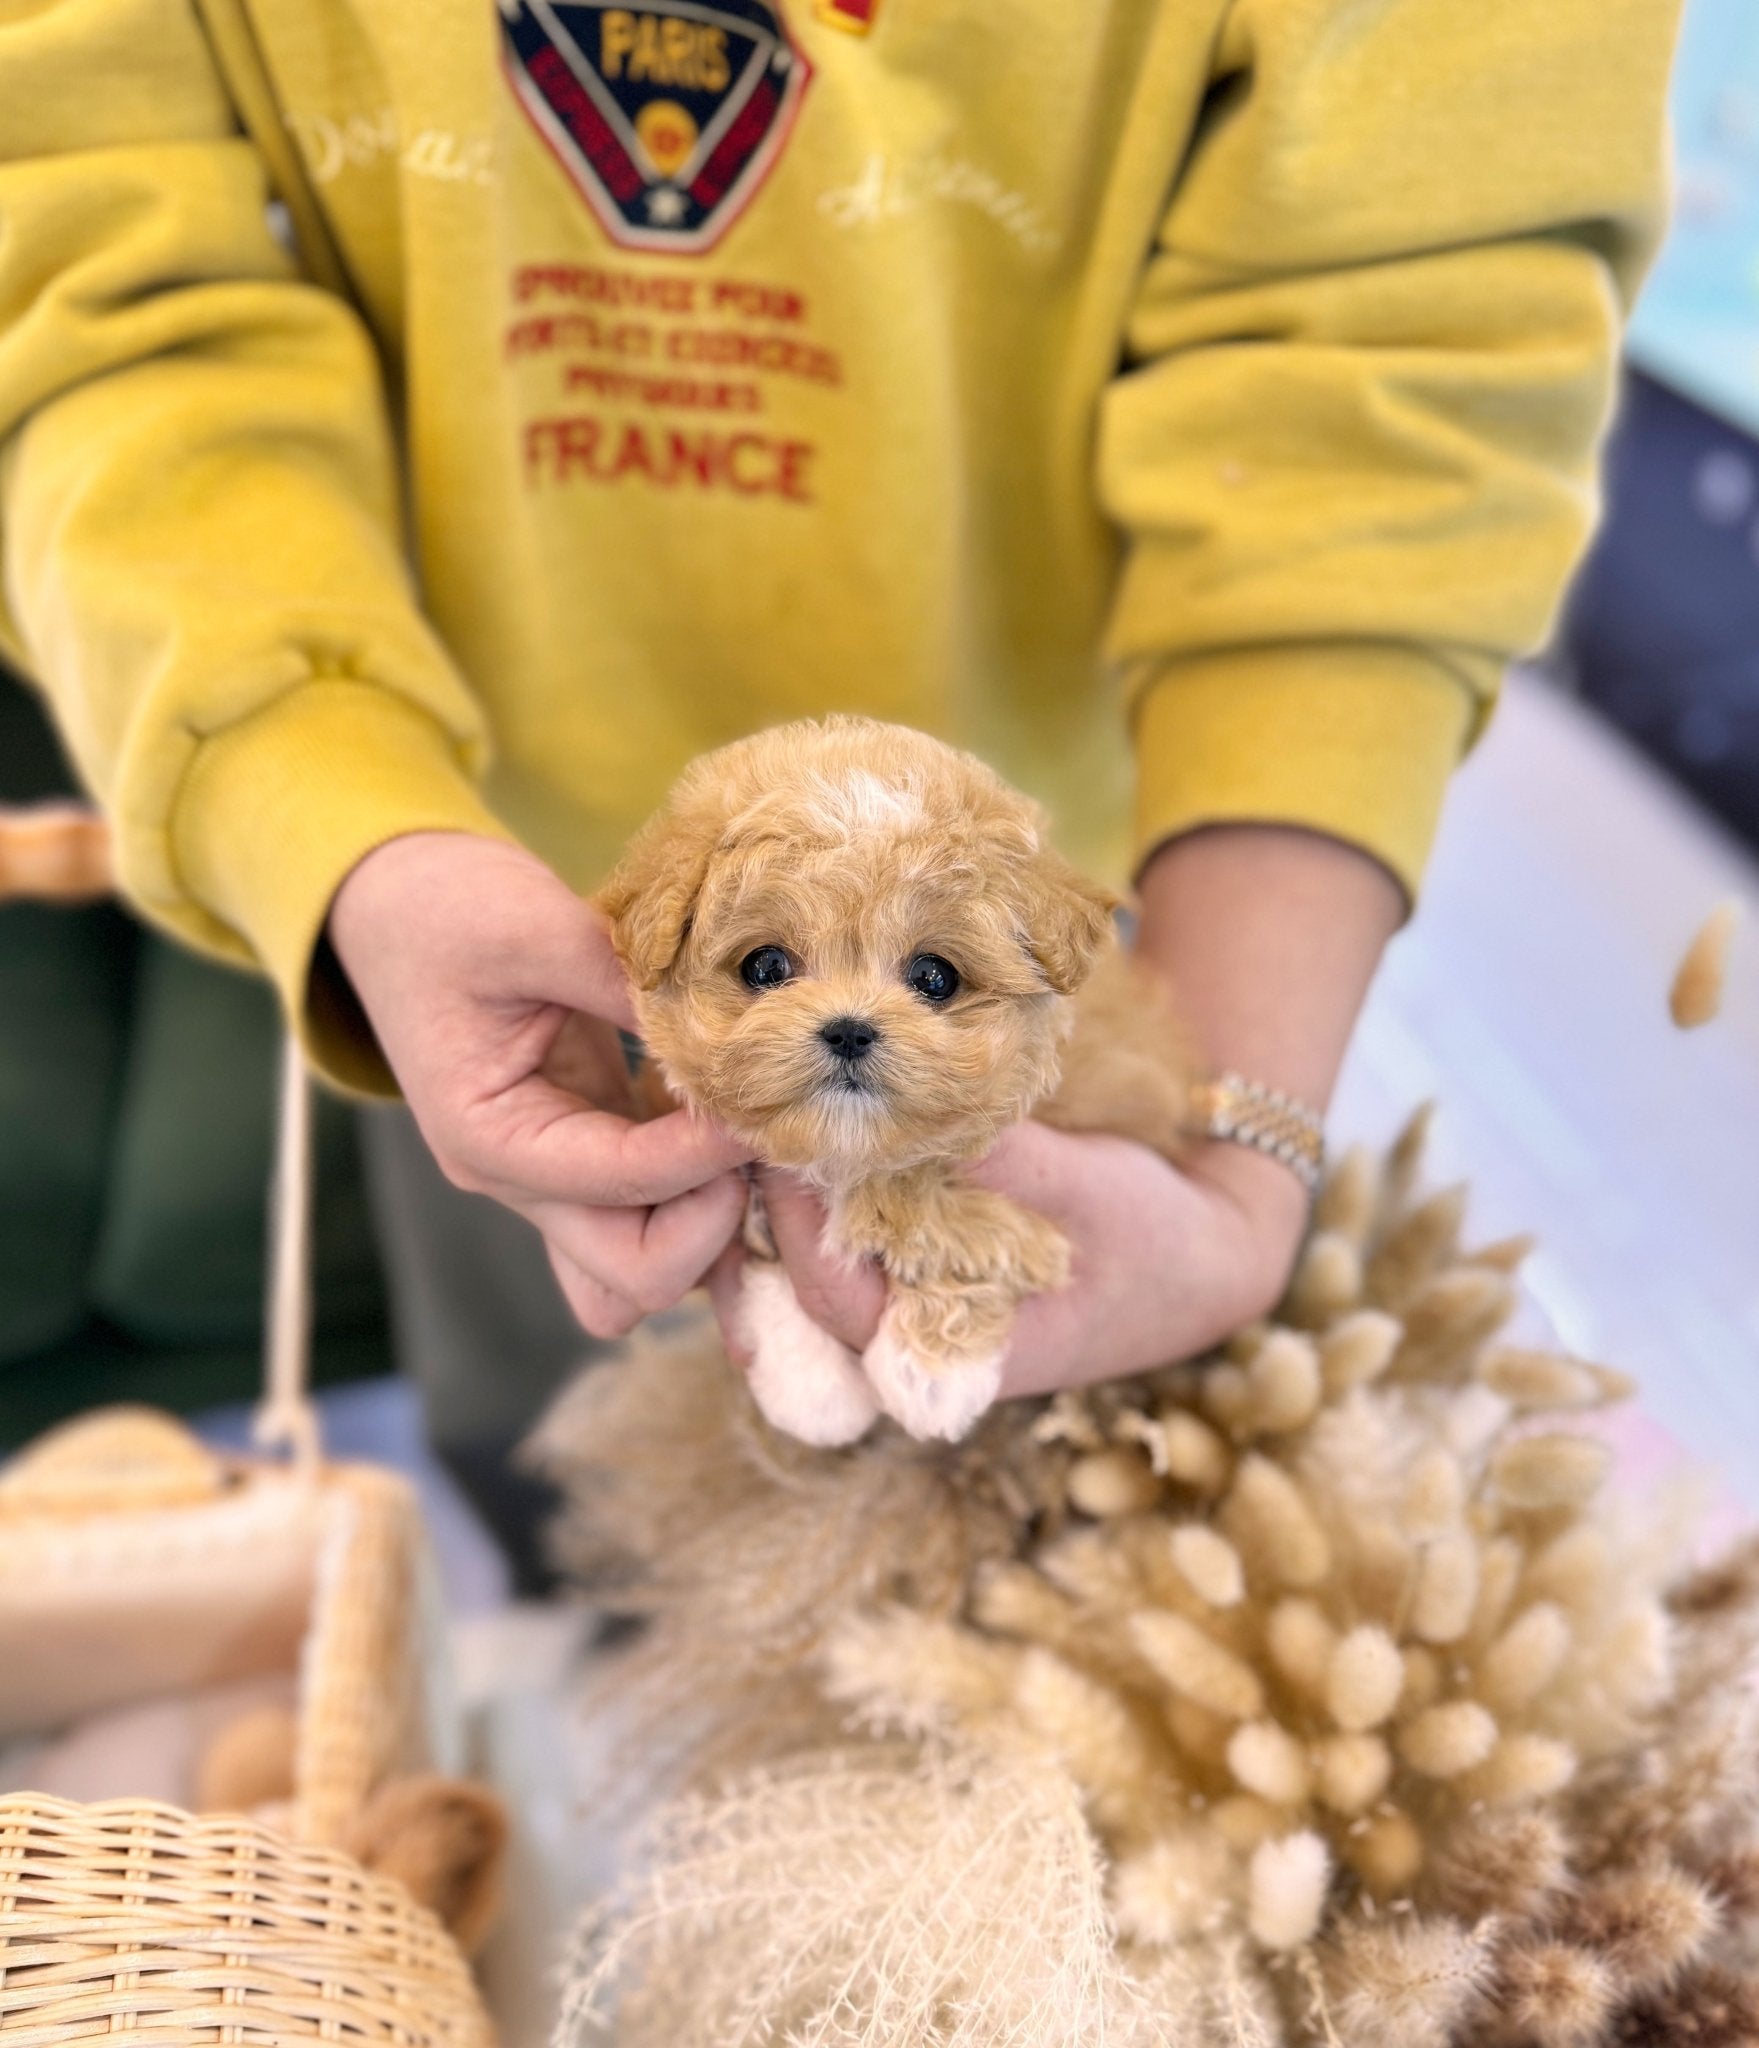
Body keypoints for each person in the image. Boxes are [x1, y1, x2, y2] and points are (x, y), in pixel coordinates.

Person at [0, 0, 1680, 1514]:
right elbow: (75, 252)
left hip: (1081, 856)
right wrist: (337, 815)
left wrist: (1243, 1149)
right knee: (555, 1460)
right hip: (483, 886)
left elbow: (1400, 349)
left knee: (1019, 1513)